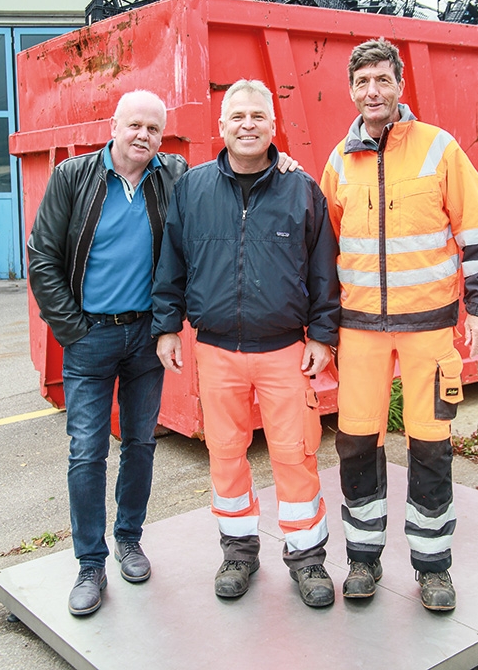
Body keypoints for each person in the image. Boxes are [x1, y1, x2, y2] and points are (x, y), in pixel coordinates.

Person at [27, 88, 299, 617]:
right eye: (134, 126)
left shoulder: (172, 175)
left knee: (141, 443)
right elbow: (42, 257)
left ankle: (130, 539)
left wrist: (279, 160)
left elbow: (230, 174)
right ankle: (90, 562)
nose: (143, 137)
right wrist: (74, 329)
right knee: (87, 450)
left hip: (147, 338)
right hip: (90, 338)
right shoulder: (74, 178)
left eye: (153, 129)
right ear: (114, 125)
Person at [320, 38, 478, 612]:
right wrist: (320, 328)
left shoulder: (440, 150)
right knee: (356, 444)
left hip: (429, 328)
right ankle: (363, 561)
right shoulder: (337, 162)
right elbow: (321, 251)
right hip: (359, 329)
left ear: (400, 86)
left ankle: (433, 568)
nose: (372, 91)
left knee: (431, 444)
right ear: (352, 91)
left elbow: (476, 232)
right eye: (362, 82)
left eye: (382, 80)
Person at [152, 79, 340, 608]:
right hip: (215, 352)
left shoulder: (301, 190)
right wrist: (167, 326)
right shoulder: (192, 189)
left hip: (284, 351)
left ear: (273, 126)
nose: (248, 124)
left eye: (258, 115)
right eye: (237, 116)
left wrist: (323, 336)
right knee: (226, 453)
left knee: (295, 455)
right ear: (221, 127)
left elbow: (325, 271)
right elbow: (171, 264)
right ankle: (238, 552)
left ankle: (307, 560)